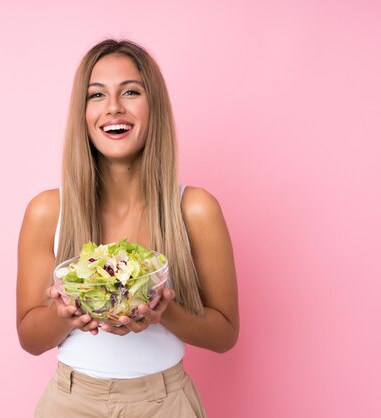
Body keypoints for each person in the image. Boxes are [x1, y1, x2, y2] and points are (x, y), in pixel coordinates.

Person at [16, 39, 239, 418]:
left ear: (154, 108)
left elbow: (225, 334)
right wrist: (63, 315)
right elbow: (29, 339)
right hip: (71, 401)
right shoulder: (48, 211)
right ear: (82, 113)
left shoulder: (196, 209)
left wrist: (162, 312)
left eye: (131, 91)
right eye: (96, 94)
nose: (113, 107)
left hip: (165, 402)